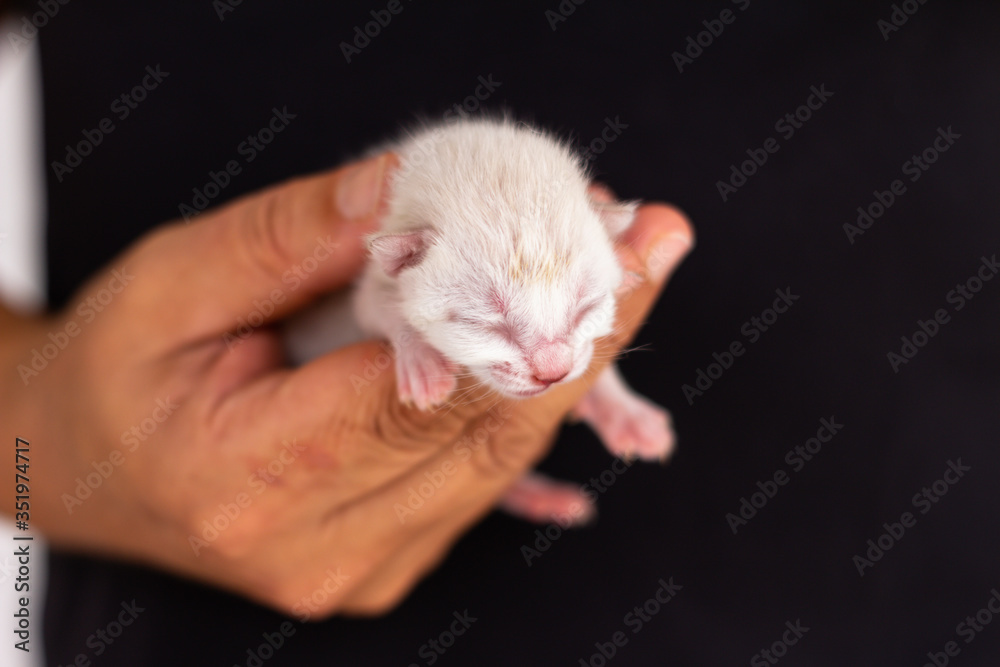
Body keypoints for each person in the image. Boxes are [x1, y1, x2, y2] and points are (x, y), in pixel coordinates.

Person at [0, 149, 693, 616]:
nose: (546, 366)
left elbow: (568, 338)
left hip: (680, 600)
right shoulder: (419, 240)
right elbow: (385, 297)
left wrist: (607, 392)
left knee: (554, 366)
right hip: (175, 602)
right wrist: (31, 428)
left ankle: (525, 465)